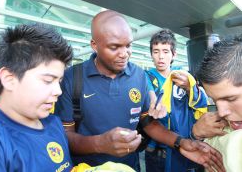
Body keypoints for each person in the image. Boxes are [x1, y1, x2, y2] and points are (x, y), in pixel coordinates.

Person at [55, 10, 225, 172]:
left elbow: (148, 123)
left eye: (128, 45)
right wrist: (100, 143)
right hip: (87, 168)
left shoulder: (138, 75)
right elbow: (64, 137)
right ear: (94, 45)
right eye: (114, 47)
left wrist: (181, 142)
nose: (124, 54)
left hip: (131, 167)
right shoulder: (72, 78)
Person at [0, 23, 73, 172]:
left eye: (59, 81)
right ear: (9, 79)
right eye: (48, 80)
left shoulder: (54, 123)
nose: (59, 91)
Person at [145, 29, 210, 172]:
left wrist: (189, 87)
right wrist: (154, 101)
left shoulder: (182, 76)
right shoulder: (147, 77)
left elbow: (201, 100)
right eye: (156, 51)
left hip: (185, 145)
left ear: (174, 54)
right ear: (151, 54)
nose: (160, 57)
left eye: (165, 51)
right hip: (157, 152)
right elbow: (150, 96)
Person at [196, 36, 242, 171]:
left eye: (231, 99)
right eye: (214, 100)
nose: (221, 112)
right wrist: (196, 135)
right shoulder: (214, 130)